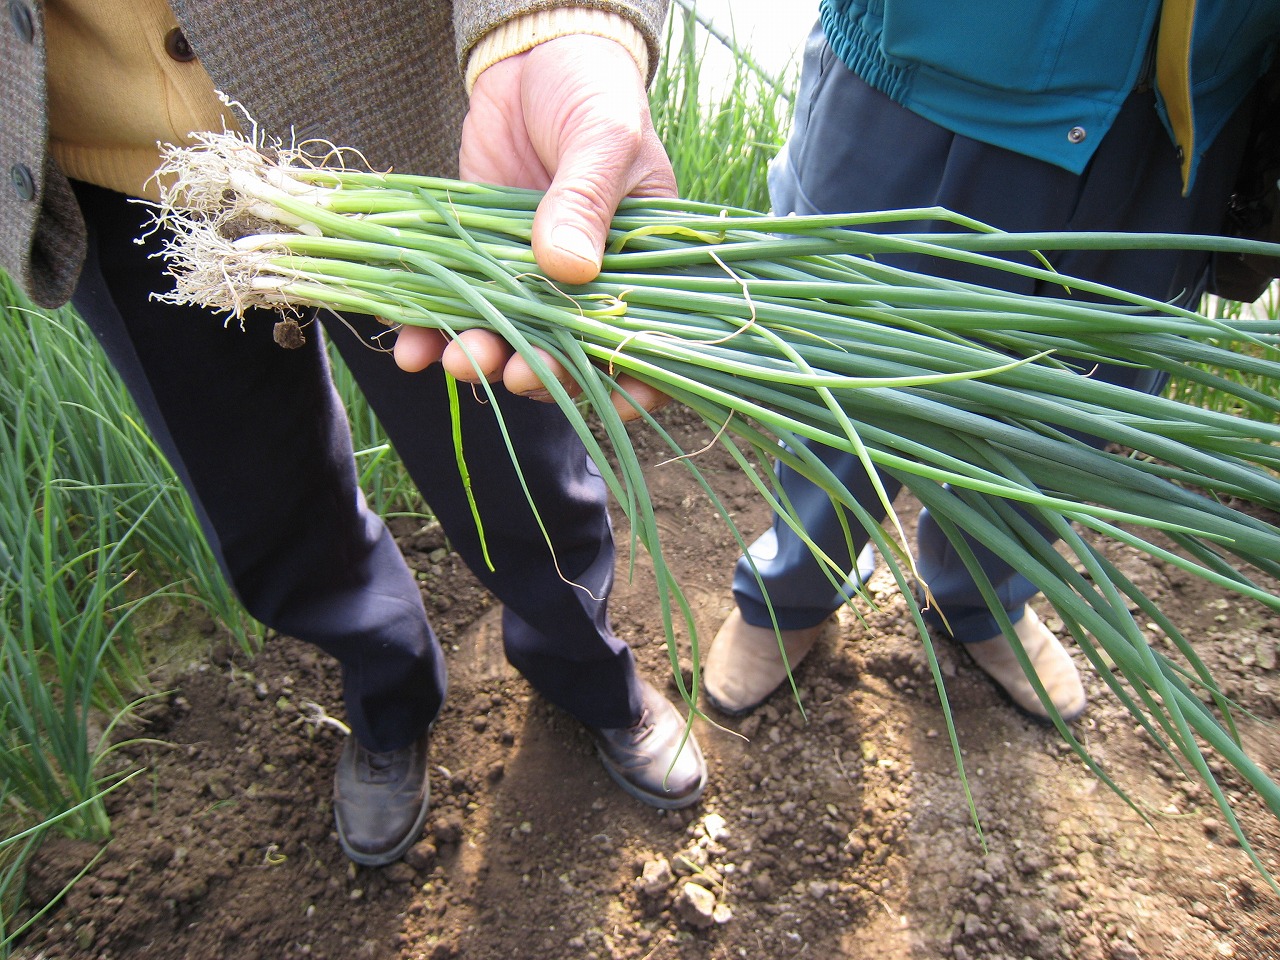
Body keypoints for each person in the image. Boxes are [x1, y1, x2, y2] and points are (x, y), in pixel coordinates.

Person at [2, 0, 704, 869]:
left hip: (377, 133)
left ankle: (588, 673)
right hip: (114, 186)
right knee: (264, 511)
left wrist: (555, 24)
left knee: (516, 471)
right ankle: (387, 697)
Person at [703, 0, 1280, 721]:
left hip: (1180, 126)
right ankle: (793, 591)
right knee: (847, 380)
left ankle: (981, 597)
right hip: (934, 74)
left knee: (1072, 412)